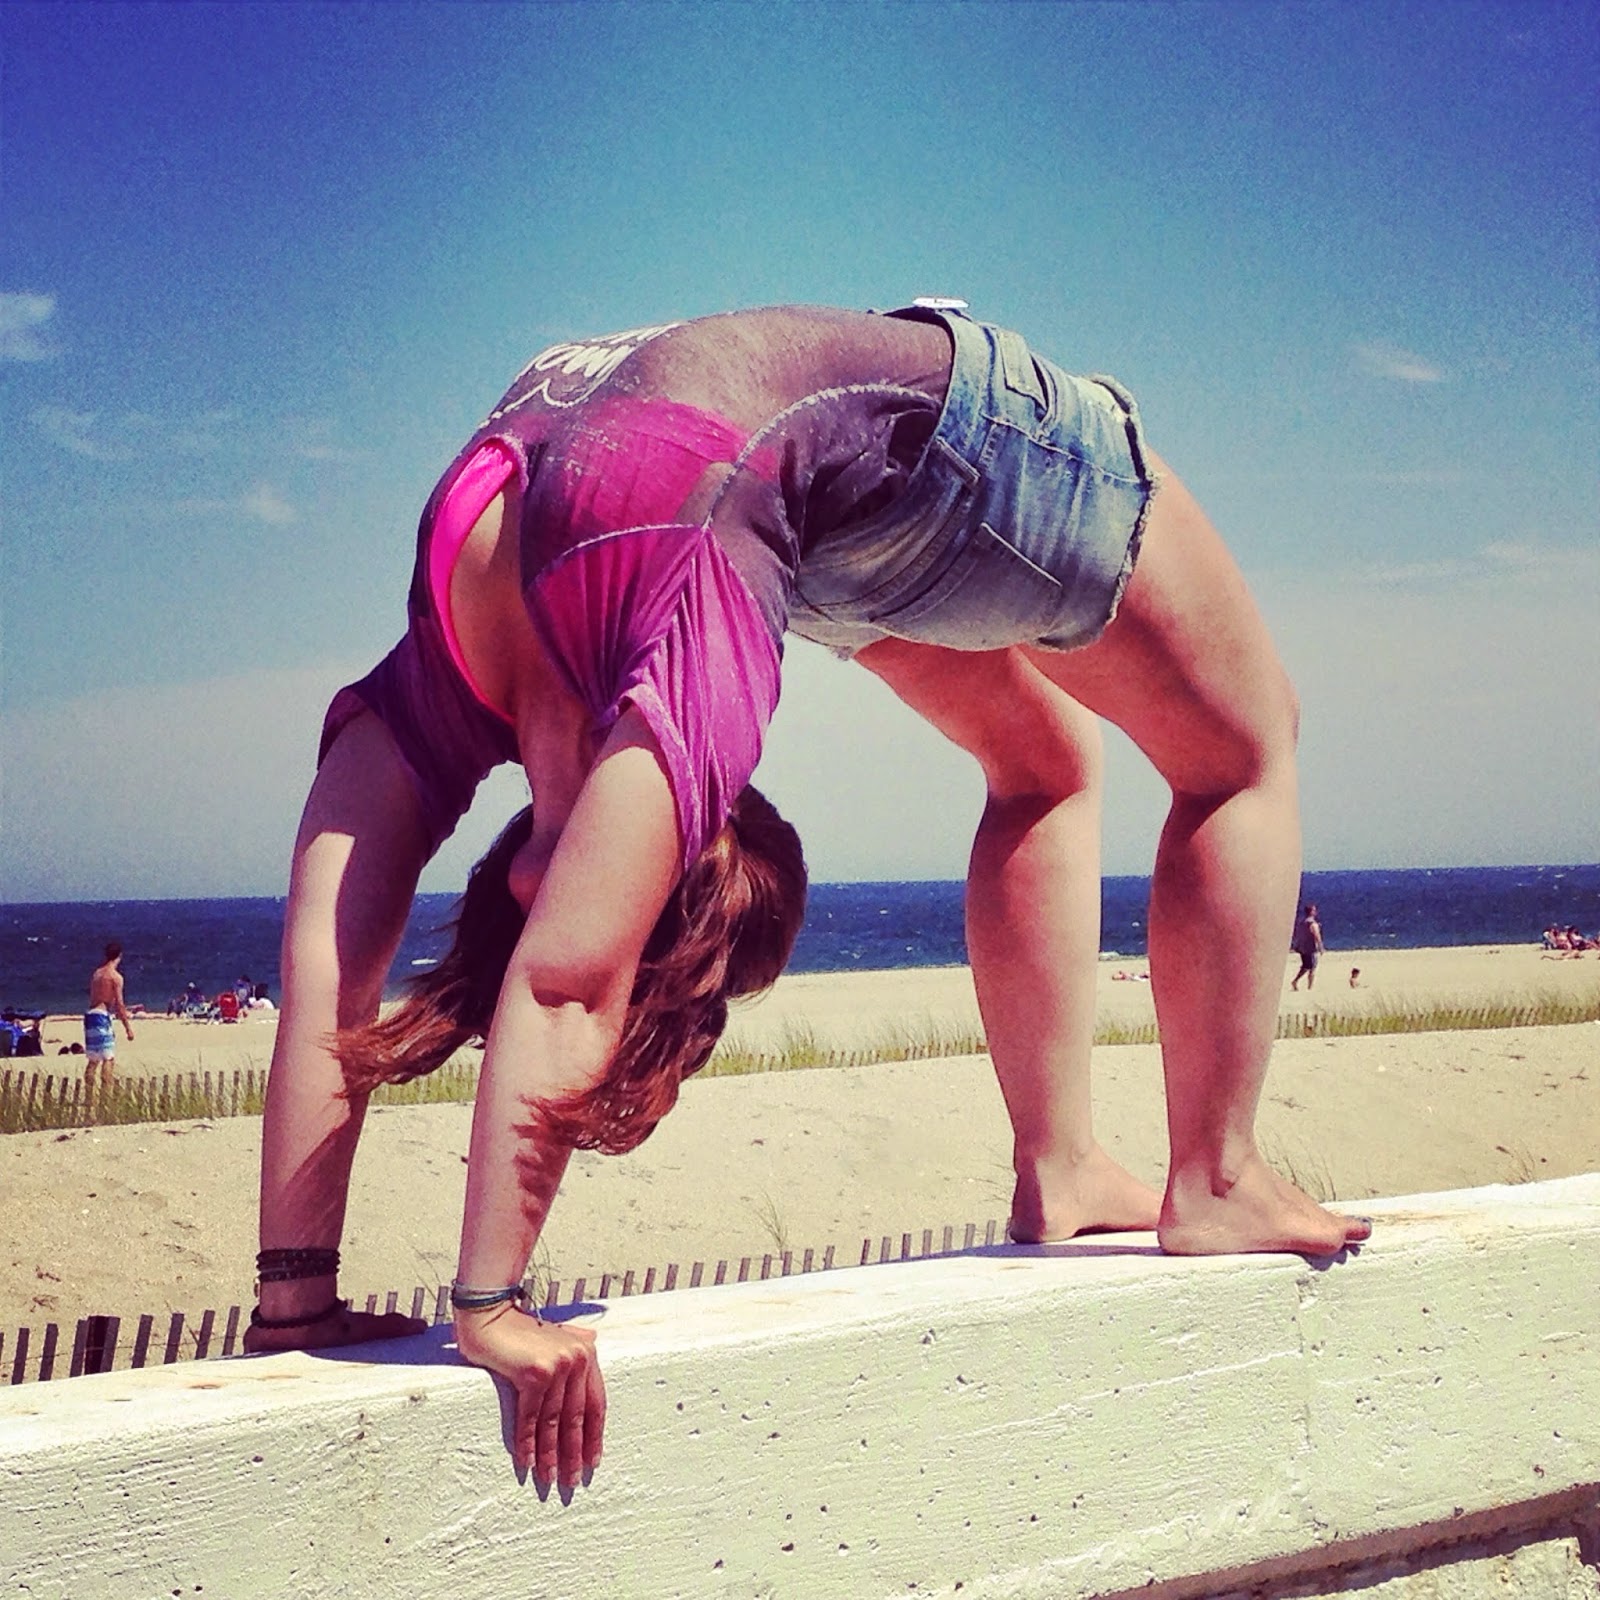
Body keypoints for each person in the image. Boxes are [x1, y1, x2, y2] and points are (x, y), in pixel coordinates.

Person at [246, 300, 1369, 1490]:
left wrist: (398, 1302)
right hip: (848, 478)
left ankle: (1112, 1168)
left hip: (872, 471)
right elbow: (453, 971)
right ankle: (1191, 1171)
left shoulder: (639, 628)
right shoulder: (517, 624)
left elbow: (451, 969)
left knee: (1132, 756)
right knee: (1224, 748)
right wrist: (395, 1304)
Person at [85, 942, 135, 1090]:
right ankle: (105, 1095)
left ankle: (89, 1096)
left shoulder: (97, 973)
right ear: (119, 956)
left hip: (90, 1015)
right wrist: (128, 1028)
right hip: (101, 1015)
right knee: (108, 1058)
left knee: (93, 1060)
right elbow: (119, 1004)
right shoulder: (115, 977)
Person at [1289, 903, 1324, 991]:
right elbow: (1317, 936)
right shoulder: (1312, 924)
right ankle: (1310, 987)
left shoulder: (1302, 922)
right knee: (1312, 967)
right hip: (1311, 948)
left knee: (1306, 966)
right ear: (1312, 912)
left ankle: (1295, 981)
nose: (1316, 912)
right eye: (1314, 910)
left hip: (1303, 948)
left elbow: (1299, 935)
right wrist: (1321, 947)